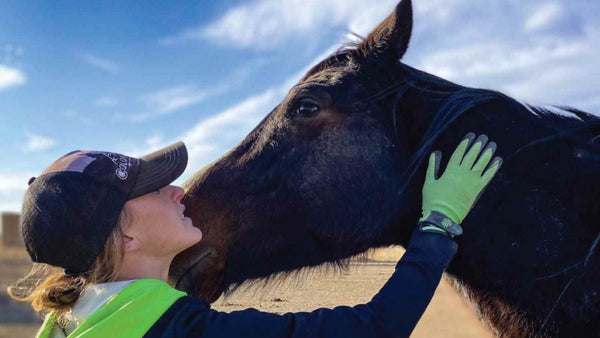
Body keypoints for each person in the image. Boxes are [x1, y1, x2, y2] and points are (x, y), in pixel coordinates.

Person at [8, 132, 502, 338]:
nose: (179, 191)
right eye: (154, 189)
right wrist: (438, 224)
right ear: (125, 238)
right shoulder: (184, 332)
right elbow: (373, 328)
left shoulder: (70, 324)